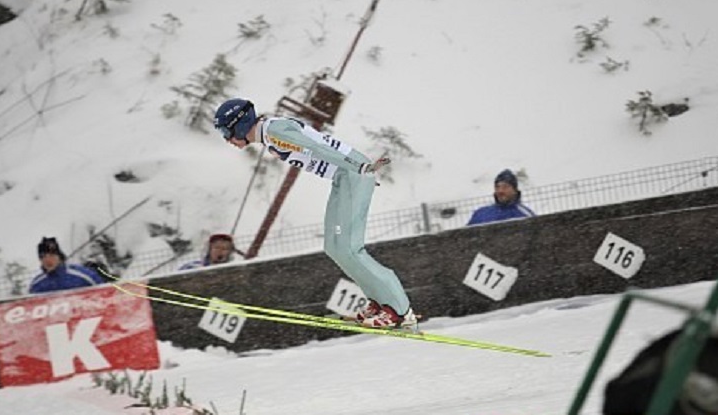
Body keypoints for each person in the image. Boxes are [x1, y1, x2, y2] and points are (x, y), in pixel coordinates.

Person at [212, 98, 417, 329]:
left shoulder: (274, 131)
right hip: (344, 178)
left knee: (350, 248)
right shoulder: (269, 135)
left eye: (225, 131)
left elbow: (317, 147)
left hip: (352, 174)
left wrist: (359, 167)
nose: (226, 139)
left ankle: (399, 310)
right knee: (335, 247)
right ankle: (379, 302)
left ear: (239, 124)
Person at [29, 237, 105, 294]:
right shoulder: (37, 285)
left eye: (52, 255)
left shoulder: (84, 276)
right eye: (43, 257)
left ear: (59, 256)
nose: (47, 260)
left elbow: (105, 294)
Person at [466, 169, 535, 226]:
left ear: (514, 190)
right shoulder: (481, 214)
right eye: (497, 187)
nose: (500, 191)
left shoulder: (524, 215)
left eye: (505, 187)